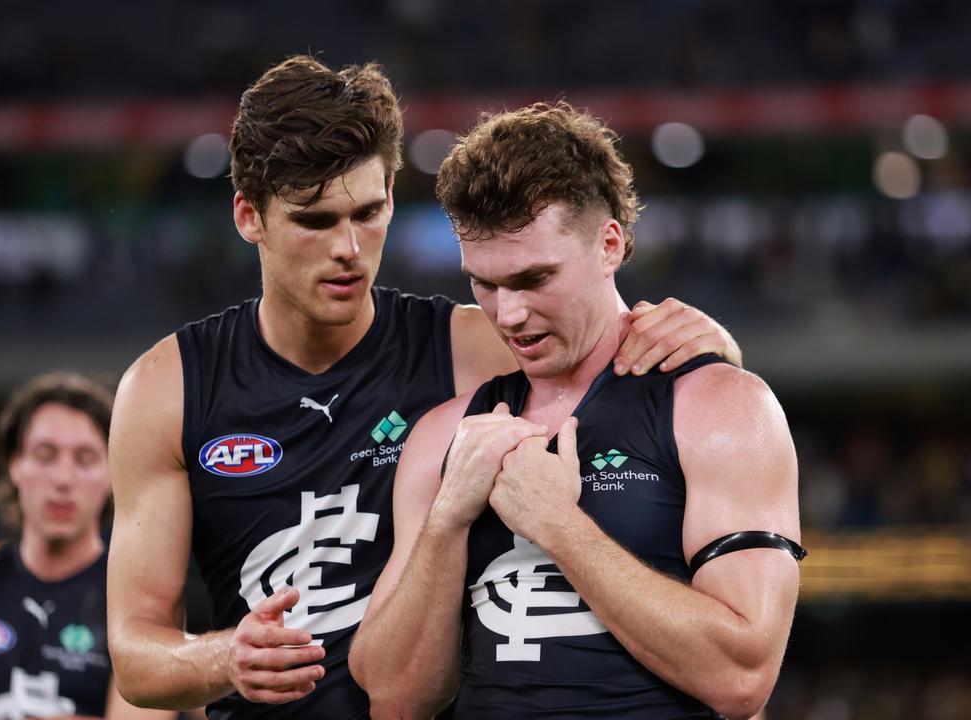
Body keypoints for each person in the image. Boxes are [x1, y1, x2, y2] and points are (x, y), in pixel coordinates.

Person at [106, 56, 744, 720]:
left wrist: (712, 344)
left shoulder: (474, 347)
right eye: (315, 221)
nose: (349, 247)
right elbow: (134, 655)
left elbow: (625, 365)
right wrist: (225, 659)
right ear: (249, 216)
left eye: (369, 211)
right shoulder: (167, 389)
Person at [350, 102, 804, 719]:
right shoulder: (444, 437)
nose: (507, 315)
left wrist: (555, 523)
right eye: (484, 284)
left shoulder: (722, 408)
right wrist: (449, 518)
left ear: (609, 244)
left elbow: (742, 674)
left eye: (534, 278)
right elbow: (393, 695)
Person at [0, 372, 174, 720]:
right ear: (15, 466)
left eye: (85, 458)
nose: (63, 479)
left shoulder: (139, 600)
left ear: (111, 473)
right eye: (46, 455)